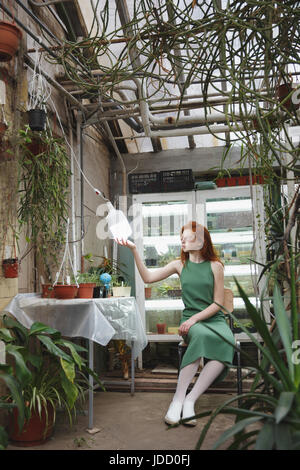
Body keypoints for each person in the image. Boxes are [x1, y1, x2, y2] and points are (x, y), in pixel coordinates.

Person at [115, 220, 235, 426]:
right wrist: (134, 250)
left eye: (187, 237)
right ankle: (177, 399)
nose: (182, 241)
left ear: (200, 240)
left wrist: (195, 319)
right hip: (190, 319)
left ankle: (190, 399)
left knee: (226, 340)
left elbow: (218, 303)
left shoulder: (216, 266)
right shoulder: (179, 265)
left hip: (212, 318)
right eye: (181, 238)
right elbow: (147, 277)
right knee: (201, 336)